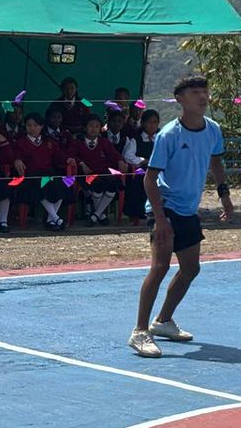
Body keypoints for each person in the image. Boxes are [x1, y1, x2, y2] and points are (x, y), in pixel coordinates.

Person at [128, 75, 232, 359]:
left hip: (188, 210)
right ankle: (139, 332)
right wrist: (160, 219)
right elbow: (150, 180)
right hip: (166, 208)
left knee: (190, 269)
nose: (203, 97)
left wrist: (225, 196)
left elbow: (216, 162)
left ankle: (163, 322)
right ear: (180, 99)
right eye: (196, 92)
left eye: (205, 91)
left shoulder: (213, 130)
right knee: (160, 267)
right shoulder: (169, 135)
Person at [11, 112, 70, 230]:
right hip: (31, 176)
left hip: (48, 173)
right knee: (40, 186)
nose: (32, 128)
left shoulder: (49, 142)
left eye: (35, 125)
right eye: (28, 125)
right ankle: (56, 218)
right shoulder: (21, 143)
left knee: (61, 185)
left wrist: (69, 159)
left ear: (41, 126)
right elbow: (17, 155)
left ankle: (51, 220)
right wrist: (17, 160)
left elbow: (60, 155)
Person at [69, 114, 127, 226]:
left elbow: (114, 154)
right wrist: (81, 163)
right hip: (87, 175)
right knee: (98, 185)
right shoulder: (78, 142)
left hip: (103, 172)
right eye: (90, 126)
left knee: (112, 184)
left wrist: (120, 160)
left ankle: (95, 215)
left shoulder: (104, 142)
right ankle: (101, 215)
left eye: (96, 126)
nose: (93, 129)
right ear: (85, 128)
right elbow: (70, 155)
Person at [122, 109, 159, 226]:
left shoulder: (161, 137)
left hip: (160, 168)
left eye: (155, 122)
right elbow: (128, 156)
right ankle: (138, 212)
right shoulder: (136, 139)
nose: (152, 125)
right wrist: (143, 160)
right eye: (149, 122)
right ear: (143, 123)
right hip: (143, 169)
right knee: (140, 179)